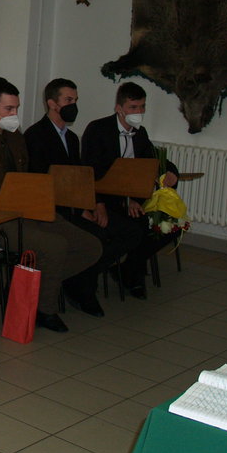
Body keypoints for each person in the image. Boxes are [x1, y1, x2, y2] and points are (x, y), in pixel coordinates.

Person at [0, 77, 101, 332]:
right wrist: (9, 191)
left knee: (89, 246)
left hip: (24, 210)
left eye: (16, 108)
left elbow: (28, 176)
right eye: (9, 109)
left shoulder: (15, 137)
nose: (14, 114)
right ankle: (44, 309)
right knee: (54, 246)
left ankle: (20, 289)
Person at [24, 78, 141, 316]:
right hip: (53, 210)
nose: (74, 105)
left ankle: (77, 277)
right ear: (52, 104)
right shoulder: (35, 135)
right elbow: (41, 183)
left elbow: (79, 179)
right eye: (68, 100)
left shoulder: (71, 137)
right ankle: (82, 288)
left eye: (75, 100)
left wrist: (93, 205)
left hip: (74, 207)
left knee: (131, 231)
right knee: (97, 237)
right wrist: (79, 210)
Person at [82, 81, 179, 297]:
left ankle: (128, 268)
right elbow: (90, 172)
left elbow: (153, 160)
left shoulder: (140, 133)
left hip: (131, 199)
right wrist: (99, 203)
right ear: (119, 108)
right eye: (133, 107)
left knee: (172, 225)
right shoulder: (98, 130)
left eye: (142, 107)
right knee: (137, 228)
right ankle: (126, 274)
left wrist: (171, 172)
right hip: (106, 199)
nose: (138, 112)